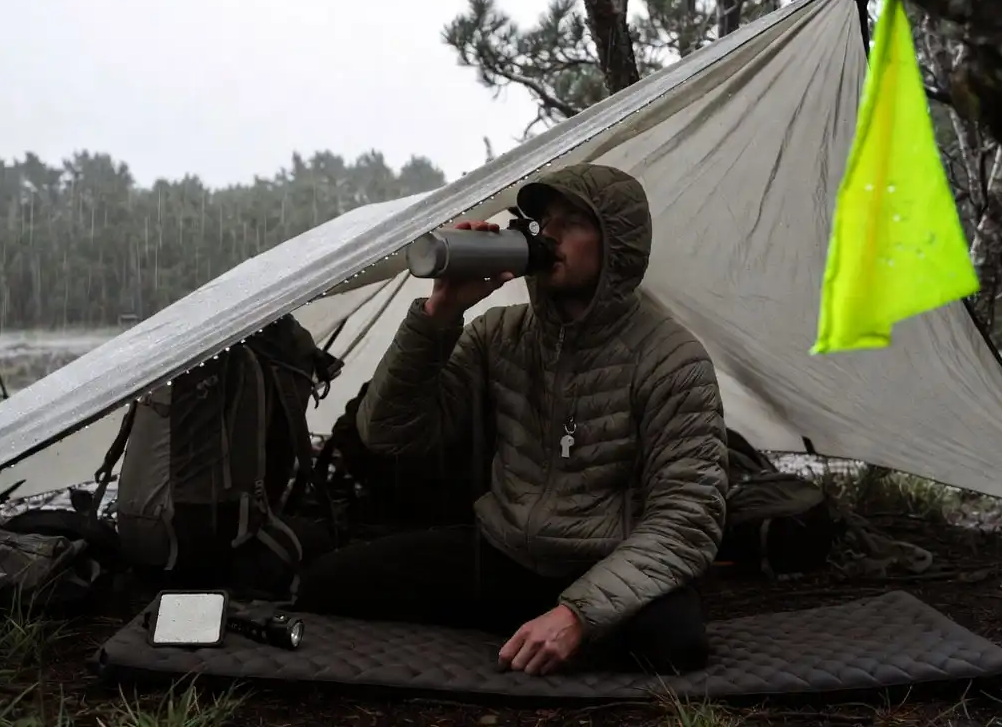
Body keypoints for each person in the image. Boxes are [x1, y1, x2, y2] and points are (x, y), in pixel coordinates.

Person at [296, 163, 730, 676]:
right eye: (543, 220)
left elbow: (687, 519)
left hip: (604, 560)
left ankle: (555, 626)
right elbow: (389, 433)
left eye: (571, 222)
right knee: (327, 583)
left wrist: (579, 615)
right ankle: (531, 625)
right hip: (503, 552)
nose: (548, 234)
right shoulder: (498, 333)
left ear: (618, 244)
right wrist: (440, 314)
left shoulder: (672, 360)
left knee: (675, 644)